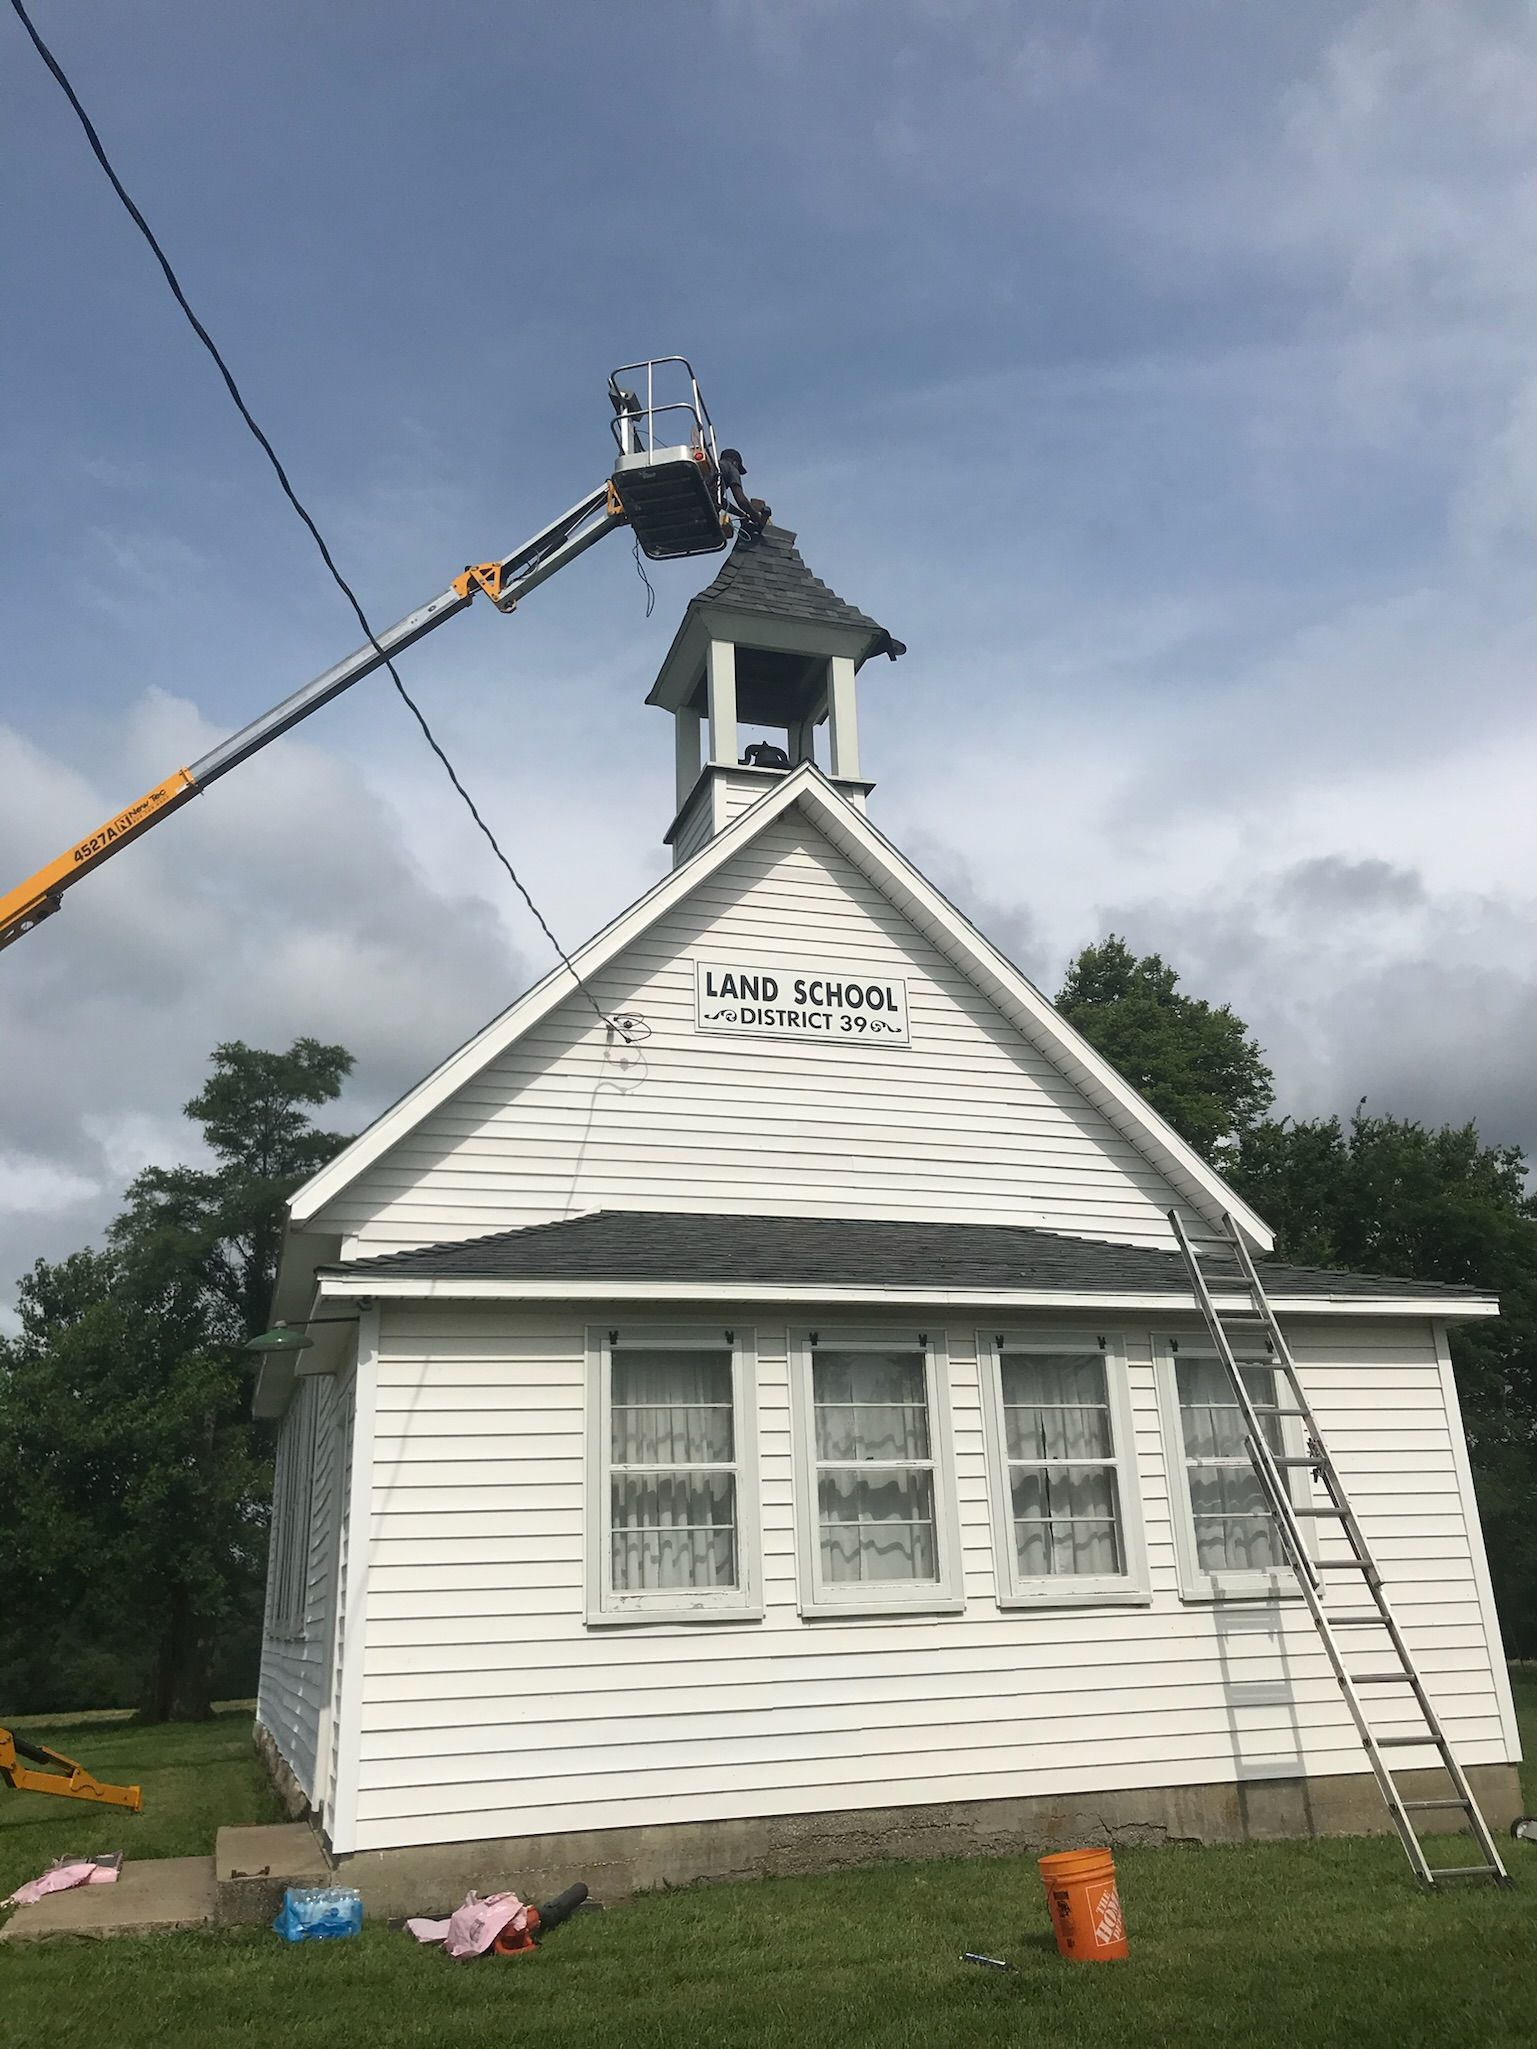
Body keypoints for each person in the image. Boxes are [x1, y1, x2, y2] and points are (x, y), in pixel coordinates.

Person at [717, 448, 770, 537]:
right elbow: (741, 501)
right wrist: (756, 517)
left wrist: (741, 514)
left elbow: (721, 502)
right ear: (735, 462)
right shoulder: (731, 467)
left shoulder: (714, 469)